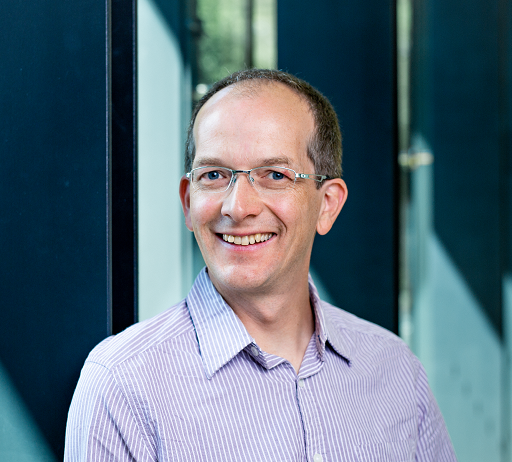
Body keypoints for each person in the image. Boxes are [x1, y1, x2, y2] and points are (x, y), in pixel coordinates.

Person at [63, 69, 454, 461]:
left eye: (274, 175)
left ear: (328, 205)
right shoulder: (122, 386)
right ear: (187, 202)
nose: (238, 207)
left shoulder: (395, 371)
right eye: (214, 175)